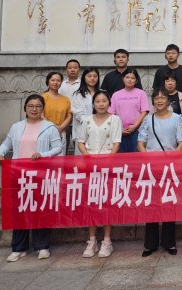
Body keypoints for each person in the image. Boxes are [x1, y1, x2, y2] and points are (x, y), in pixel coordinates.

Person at [0, 94, 62, 262]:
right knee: (20, 210)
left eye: (38, 106)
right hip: (19, 175)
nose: (34, 109)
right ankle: (19, 248)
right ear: (25, 108)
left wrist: (42, 154)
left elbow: (58, 147)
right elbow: (7, 143)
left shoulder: (49, 127)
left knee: (40, 210)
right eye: (31, 106)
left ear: (43, 109)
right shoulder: (16, 127)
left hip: (40, 175)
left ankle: (42, 246)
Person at [138, 88, 182, 257]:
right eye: (156, 98)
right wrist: (147, 159)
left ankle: (169, 242)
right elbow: (141, 142)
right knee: (152, 204)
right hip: (151, 168)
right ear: (153, 101)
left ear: (168, 100)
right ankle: (150, 244)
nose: (159, 100)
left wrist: (173, 159)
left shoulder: (176, 118)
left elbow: (181, 141)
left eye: (162, 97)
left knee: (169, 203)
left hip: (170, 167)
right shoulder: (148, 119)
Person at [77, 90, 122, 258]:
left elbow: (116, 142)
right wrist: (88, 157)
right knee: (92, 203)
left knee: (106, 203)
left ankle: (107, 241)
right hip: (90, 167)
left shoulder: (115, 119)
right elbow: (81, 142)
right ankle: (92, 241)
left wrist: (107, 161)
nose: (101, 104)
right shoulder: (86, 120)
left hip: (107, 167)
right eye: (98, 101)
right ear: (93, 104)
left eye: (104, 101)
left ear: (109, 103)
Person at [109, 69, 150, 153]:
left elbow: (144, 111)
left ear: (136, 80)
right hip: (119, 131)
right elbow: (111, 114)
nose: (130, 80)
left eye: (133, 78)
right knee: (121, 157)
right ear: (123, 79)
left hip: (137, 131)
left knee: (136, 157)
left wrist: (135, 126)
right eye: (127, 77)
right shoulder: (116, 95)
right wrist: (119, 129)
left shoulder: (141, 93)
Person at [71, 67, 100, 155]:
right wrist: (91, 124)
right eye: (89, 76)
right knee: (82, 158)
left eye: (95, 76)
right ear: (84, 77)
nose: (92, 78)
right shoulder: (78, 94)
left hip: (100, 129)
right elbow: (77, 112)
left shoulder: (102, 93)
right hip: (82, 129)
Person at [42, 71, 72, 155]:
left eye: (58, 80)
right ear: (48, 81)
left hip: (61, 132)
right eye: (53, 80)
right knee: (45, 157)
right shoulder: (42, 97)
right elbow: (40, 114)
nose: (55, 82)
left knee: (60, 158)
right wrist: (52, 127)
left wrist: (61, 127)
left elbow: (69, 115)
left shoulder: (65, 99)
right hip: (45, 131)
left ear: (61, 83)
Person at [163, 73, 182, 140]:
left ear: (176, 83)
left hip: (179, 131)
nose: (170, 83)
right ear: (164, 83)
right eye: (167, 81)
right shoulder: (159, 97)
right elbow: (153, 113)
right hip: (163, 131)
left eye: (172, 81)